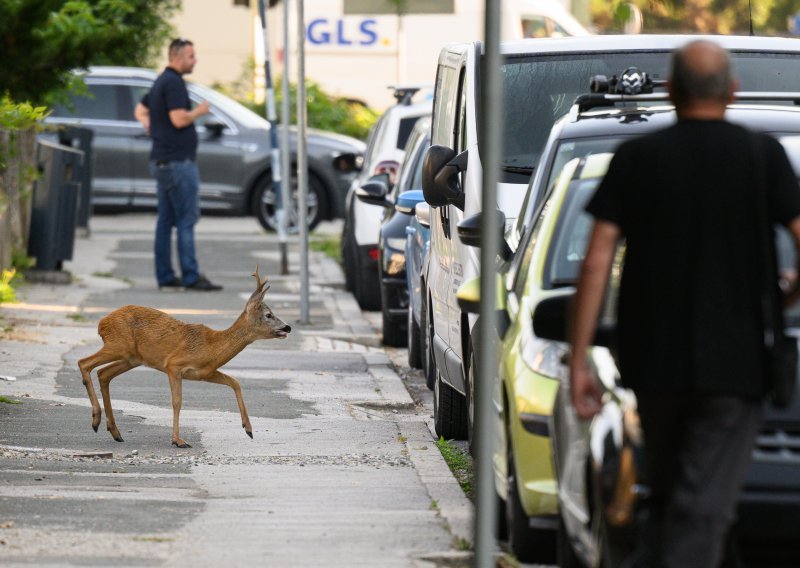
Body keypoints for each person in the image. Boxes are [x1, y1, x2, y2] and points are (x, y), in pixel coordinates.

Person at [569, 40, 800, 567]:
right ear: (733, 92)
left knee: (677, 496)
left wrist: (579, 358)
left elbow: (596, 261)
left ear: (671, 91)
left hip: (654, 364)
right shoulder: (762, 157)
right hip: (736, 366)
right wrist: (786, 296)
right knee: (702, 506)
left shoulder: (638, 158)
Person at [134, 38, 222, 291]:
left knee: (166, 220)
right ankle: (191, 276)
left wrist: (152, 127)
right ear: (177, 57)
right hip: (177, 162)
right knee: (186, 219)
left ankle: (165, 276)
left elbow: (139, 110)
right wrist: (199, 111)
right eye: (191, 56)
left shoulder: (161, 80)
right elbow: (178, 119)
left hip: (162, 159)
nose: (195, 61)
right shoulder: (173, 83)